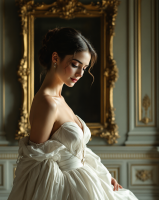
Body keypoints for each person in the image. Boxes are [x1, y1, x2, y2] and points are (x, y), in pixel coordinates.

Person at [7, 27, 138, 200]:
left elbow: (77, 150)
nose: (80, 73)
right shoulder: (47, 103)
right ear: (55, 58)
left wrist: (104, 176)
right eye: (75, 65)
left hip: (87, 180)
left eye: (84, 68)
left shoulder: (59, 99)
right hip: (68, 188)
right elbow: (35, 162)